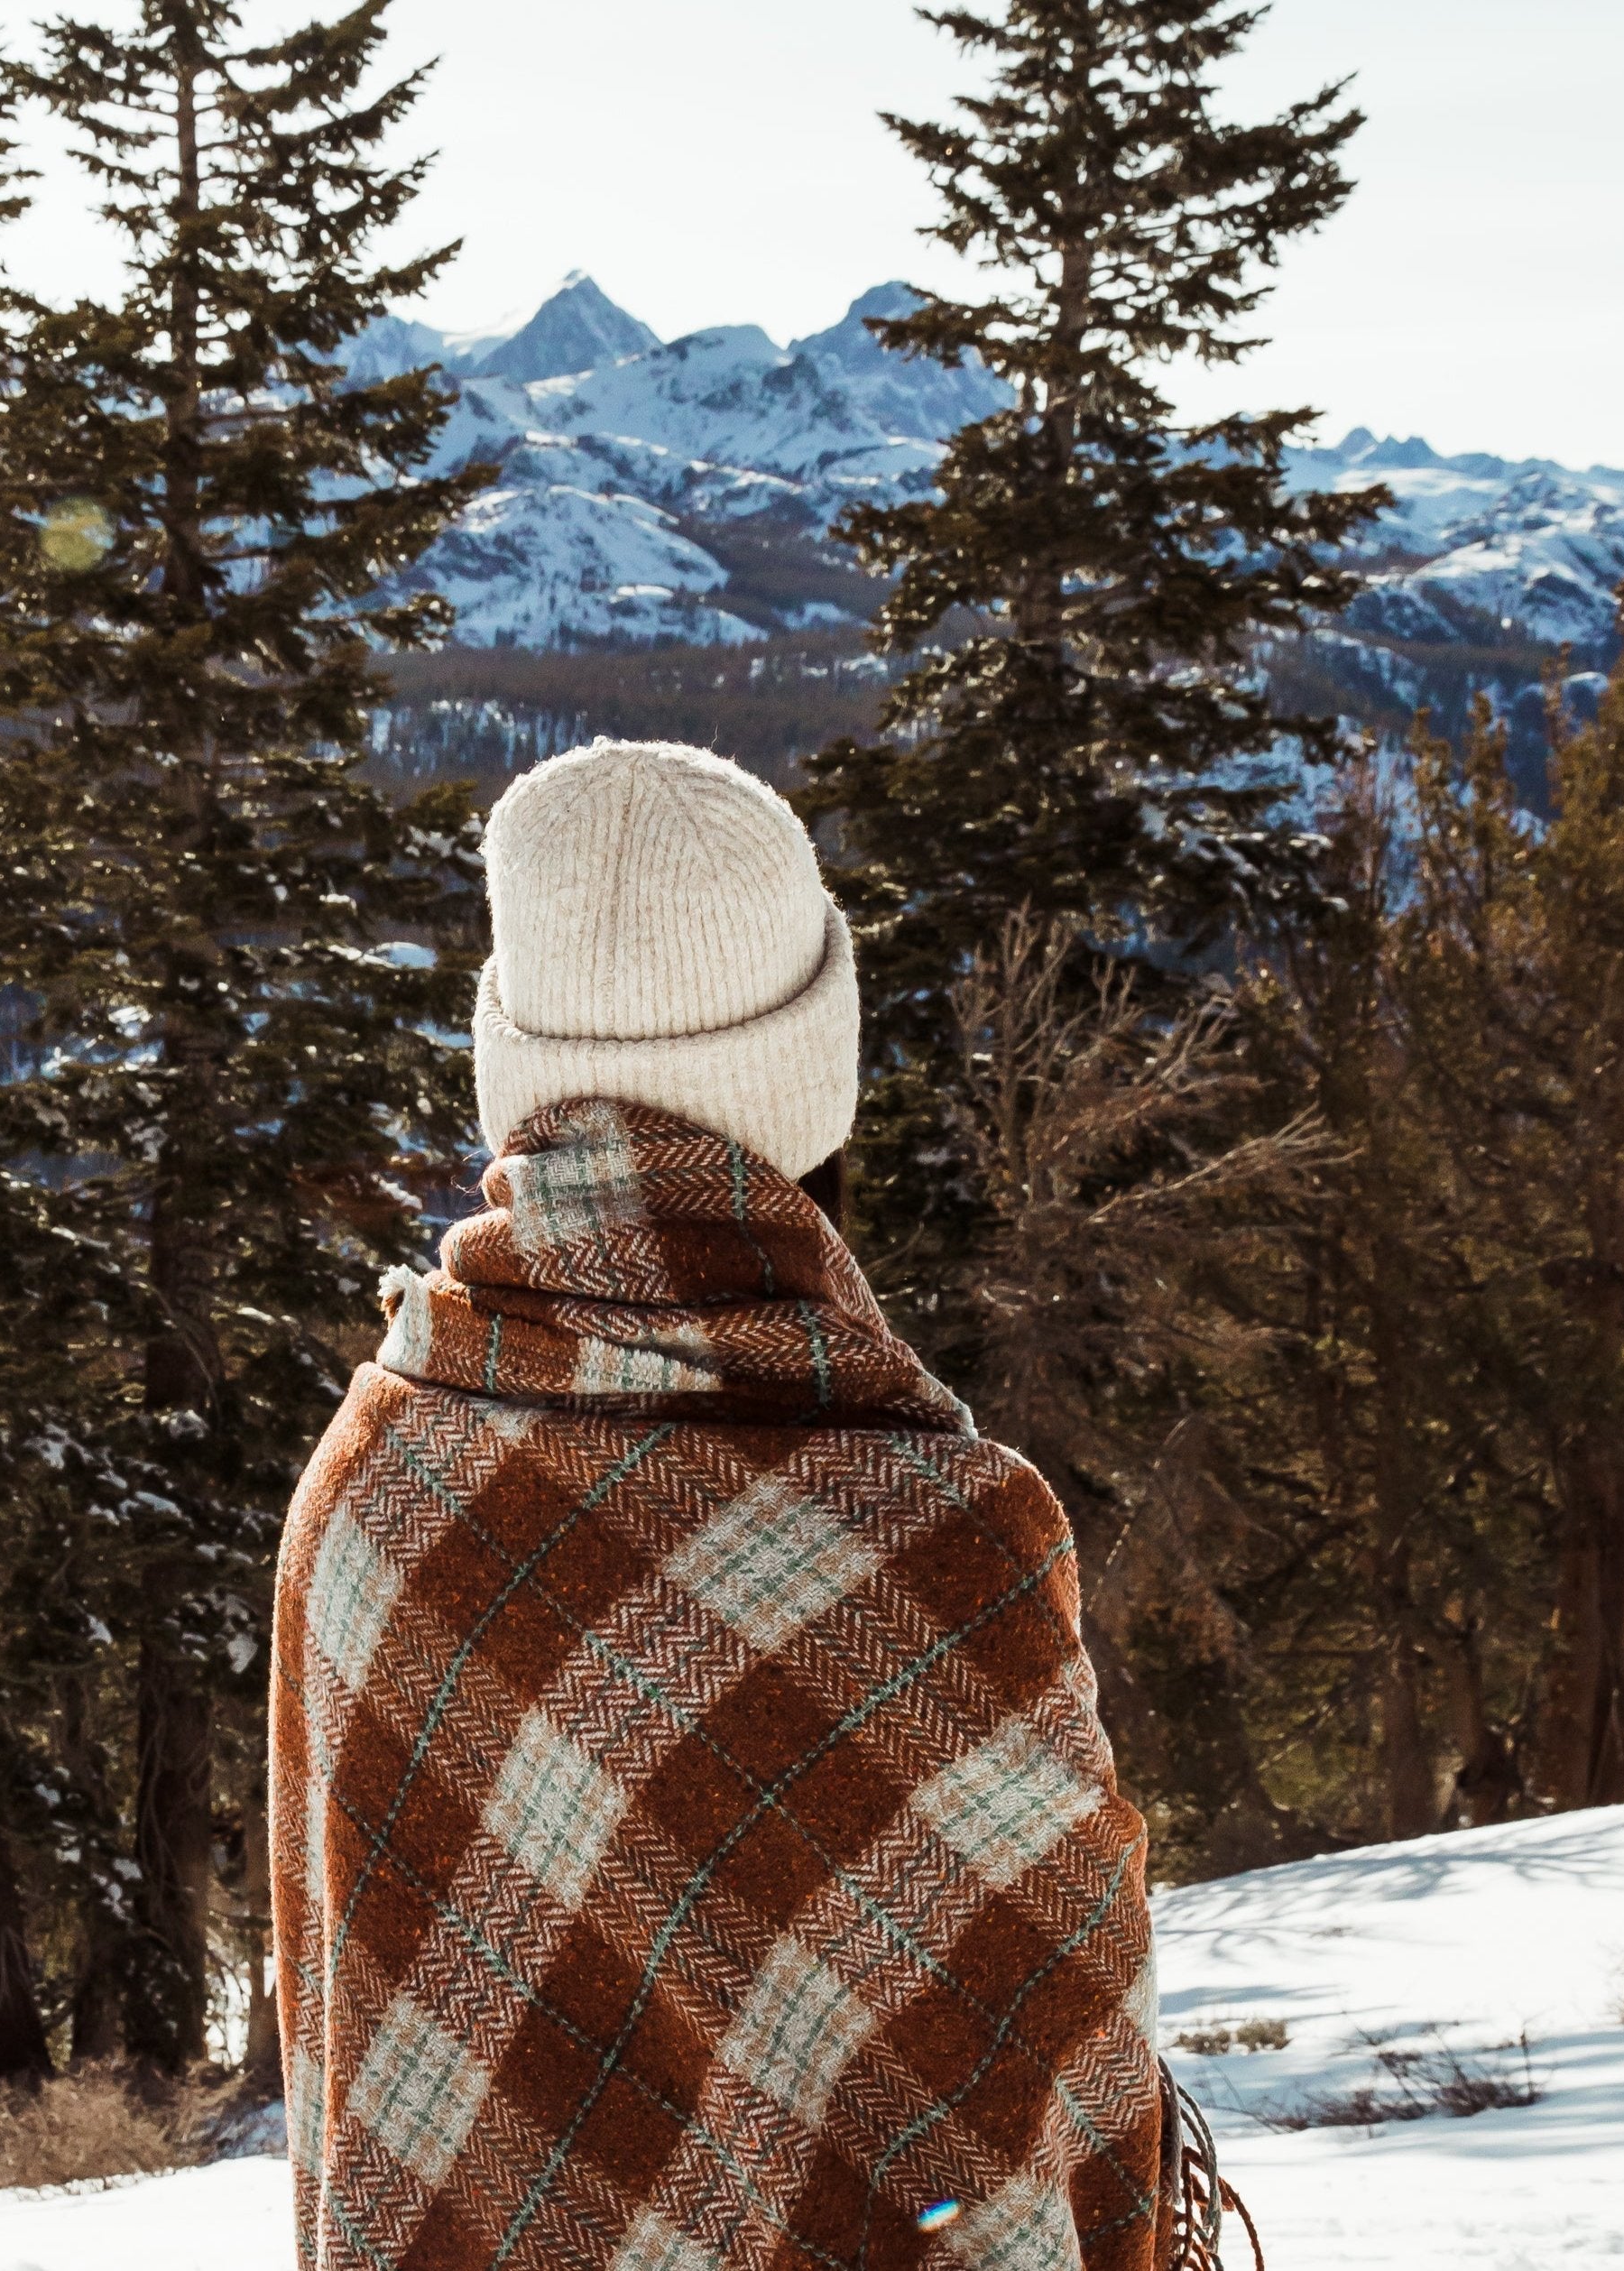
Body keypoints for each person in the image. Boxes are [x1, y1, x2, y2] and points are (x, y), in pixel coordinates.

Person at [270, 740, 1167, 2270]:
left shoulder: (364, 1491)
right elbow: (1047, 2080)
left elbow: (360, 2066)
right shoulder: (949, 1534)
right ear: (815, 1081)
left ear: (515, 1070)